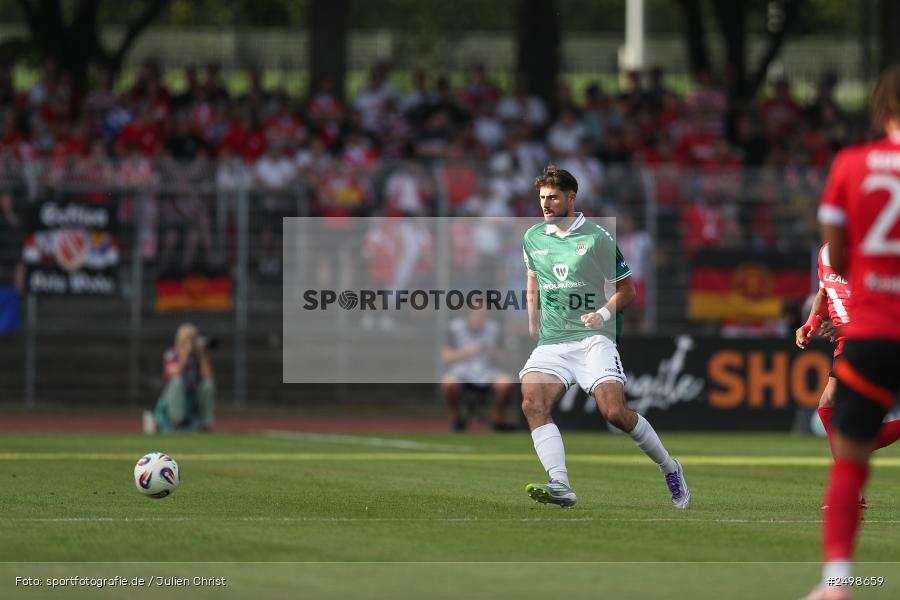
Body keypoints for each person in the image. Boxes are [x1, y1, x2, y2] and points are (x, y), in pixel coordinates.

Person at [519, 164, 690, 509]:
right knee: (532, 403)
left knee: (614, 413)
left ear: (571, 197)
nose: (546, 204)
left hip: (593, 339)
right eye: (542, 198)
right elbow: (533, 279)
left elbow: (627, 291)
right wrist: (532, 318)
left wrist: (603, 314)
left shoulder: (597, 238)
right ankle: (560, 483)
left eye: (553, 197)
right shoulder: (533, 236)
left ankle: (670, 467)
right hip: (553, 340)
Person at [804, 65, 900, 600]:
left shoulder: (852, 164)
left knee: (849, 447)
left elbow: (837, 255)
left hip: (875, 329)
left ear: (883, 110)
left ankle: (838, 583)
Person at [795, 243, 900, 509]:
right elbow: (823, 293)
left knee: (836, 411)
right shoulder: (825, 252)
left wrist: (846, 326)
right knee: (832, 410)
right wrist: (810, 323)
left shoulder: (869, 257)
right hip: (848, 342)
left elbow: (884, 308)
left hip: (870, 339)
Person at [442, 301, 516, 432]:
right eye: (475, 314)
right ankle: (457, 419)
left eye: (482, 314)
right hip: (463, 371)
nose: (479, 317)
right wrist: (470, 351)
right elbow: (447, 356)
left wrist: (491, 352)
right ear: (468, 315)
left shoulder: (495, 328)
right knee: (448, 383)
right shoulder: (455, 327)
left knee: (506, 383)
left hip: (488, 371)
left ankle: (497, 419)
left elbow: (506, 358)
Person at [155, 323, 215, 433]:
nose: (191, 342)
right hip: (172, 397)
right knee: (177, 382)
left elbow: (208, 377)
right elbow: (175, 375)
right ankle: (176, 422)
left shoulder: (197, 356)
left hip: (192, 396)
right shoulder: (171, 354)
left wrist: (202, 355)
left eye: (193, 338)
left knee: (208, 385)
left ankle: (205, 424)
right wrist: (185, 355)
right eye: (188, 339)